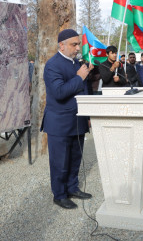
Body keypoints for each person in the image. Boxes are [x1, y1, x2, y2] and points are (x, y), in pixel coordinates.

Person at [41, 29, 93, 209]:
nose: (78, 48)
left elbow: (84, 91)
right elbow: (59, 92)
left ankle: (72, 188)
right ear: (61, 45)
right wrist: (80, 77)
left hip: (78, 121)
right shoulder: (53, 65)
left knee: (75, 158)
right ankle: (60, 194)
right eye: (74, 44)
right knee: (60, 162)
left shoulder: (77, 63)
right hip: (60, 123)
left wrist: (87, 116)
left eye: (78, 44)